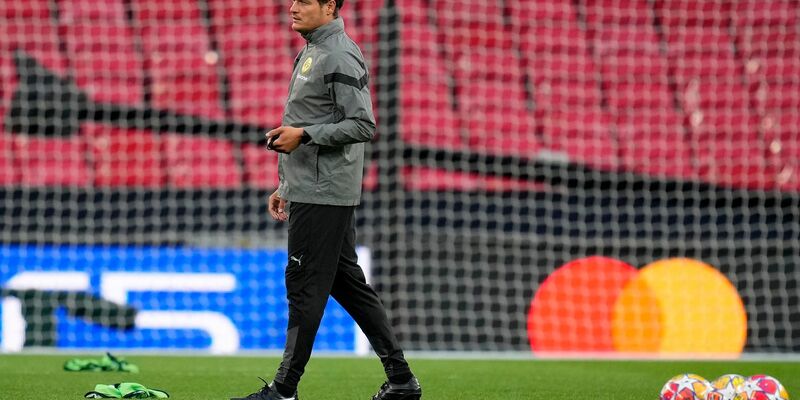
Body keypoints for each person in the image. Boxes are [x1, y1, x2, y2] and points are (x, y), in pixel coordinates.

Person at [230, 1, 422, 400]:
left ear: (329, 6)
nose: (293, 7)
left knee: (303, 286)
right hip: (311, 187)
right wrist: (286, 182)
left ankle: (284, 389)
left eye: (304, 1)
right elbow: (305, 119)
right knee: (348, 284)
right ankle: (401, 380)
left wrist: (305, 136)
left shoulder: (338, 53)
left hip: (324, 192)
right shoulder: (314, 50)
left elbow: (363, 123)